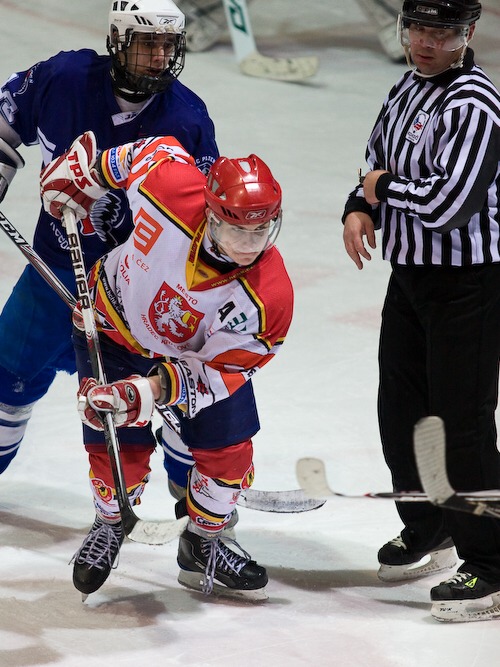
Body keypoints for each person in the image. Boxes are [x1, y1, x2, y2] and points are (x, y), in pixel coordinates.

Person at [39, 131, 293, 600]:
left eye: (260, 232)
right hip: (113, 325)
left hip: (189, 361)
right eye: (237, 230)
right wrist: (87, 175)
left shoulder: (269, 299)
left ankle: (203, 542)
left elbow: (219, 374)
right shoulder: (171, 188)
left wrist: (149, 391)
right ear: (211, 214)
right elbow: (152, 149)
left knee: (230, 454)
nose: (248, 245)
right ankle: (110, 521)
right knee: (115, 444)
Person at [0, 0, 218, 479]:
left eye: (168, 45)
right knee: (5, 376)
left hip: (135, 295)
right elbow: (6, 120)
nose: (160, 57)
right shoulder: (64, 78)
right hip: (54, 272)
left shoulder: (187, 120)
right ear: (118, 42)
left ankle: (197, 502)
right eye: (148, 44)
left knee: (152, 400)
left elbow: (200, 226)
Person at [342, 0, 500, 622]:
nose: (427, 42)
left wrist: (382, 190)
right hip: (409, 278)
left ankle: (491, 563)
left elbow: (449, 206)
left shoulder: (475, 105)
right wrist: (360, 205)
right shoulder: (405, 88)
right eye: (418, 29)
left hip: (469, 284)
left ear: (467, 34)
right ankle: (431, 525)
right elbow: (372, 163)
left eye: (443, 32)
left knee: (461, 425)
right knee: (401, 410)